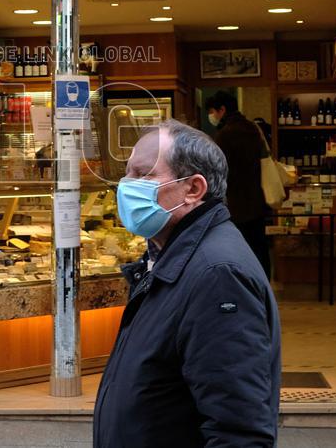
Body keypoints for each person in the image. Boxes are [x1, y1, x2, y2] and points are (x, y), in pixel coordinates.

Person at [93, 121, 281, 447]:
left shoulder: (217, 275)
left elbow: (239, 430)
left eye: (143, 175)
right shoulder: (173, 256)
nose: (126, 185)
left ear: (193, 189)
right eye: (127, 173)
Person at [205, 91, 271, 279]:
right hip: (257, 201)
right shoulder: (253, 128)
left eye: (212, 111)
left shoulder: (224, 135)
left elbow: (217, 170)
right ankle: (263, 284)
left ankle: (245, 287)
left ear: (222, 110)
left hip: (235, 204)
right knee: (259, 248)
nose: (212, 116)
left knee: (239, 251)